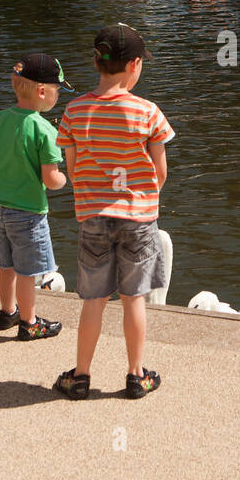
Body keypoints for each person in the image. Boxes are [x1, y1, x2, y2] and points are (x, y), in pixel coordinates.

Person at [54, 24, 173, 399]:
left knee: (93, 300)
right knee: (133, 299)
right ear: (135, 65)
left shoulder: (73, 111)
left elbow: (72, 171)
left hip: (93, 217)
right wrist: (141, 198)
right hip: (138, 218)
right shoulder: (149, 113)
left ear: (96, 62)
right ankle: (137, 375)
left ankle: (81, 376)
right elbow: (160, 172)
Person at [0, 53, 71, 340]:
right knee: (27, 271)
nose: (58, 95)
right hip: (28, 212)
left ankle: (7, 312)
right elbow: (50, 179)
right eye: (57, 89)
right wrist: (64, 179)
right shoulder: (45, 129)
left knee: (5, 264)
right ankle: (29, 322)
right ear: (43, 91)